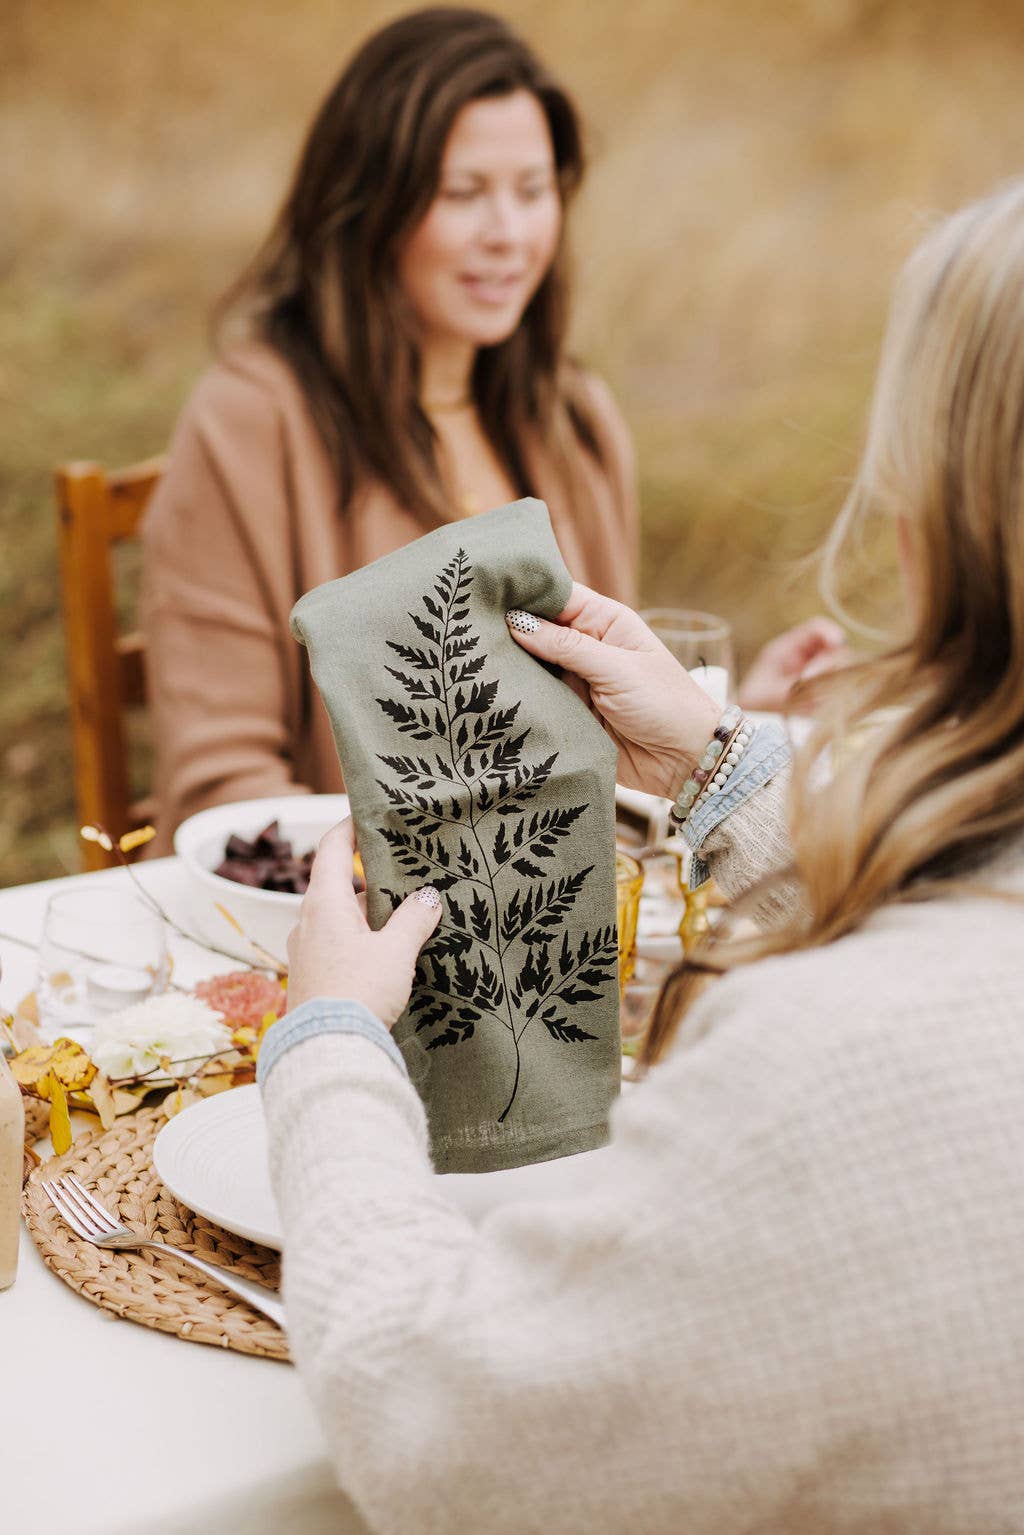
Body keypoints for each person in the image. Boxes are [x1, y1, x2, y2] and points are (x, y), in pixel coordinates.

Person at [258, 179, 1024, 1531]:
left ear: (931, 513)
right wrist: (720, 762)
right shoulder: (258, 417)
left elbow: (435, 1426)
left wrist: (325, 1043)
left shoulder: (822, 1073)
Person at [142, 6, 841, 853]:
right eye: (463, 192)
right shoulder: (249, 423)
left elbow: (596, 748)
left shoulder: (574, 420)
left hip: (561, 930)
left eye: (533, 190)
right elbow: (223, 791)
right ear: (368, 205)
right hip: (355, 943)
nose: (508, 235)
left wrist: (725, 721)